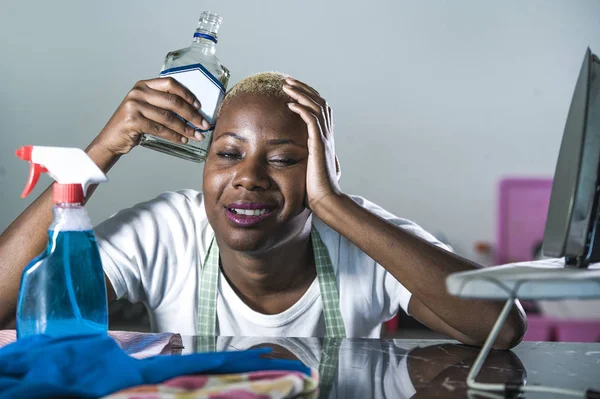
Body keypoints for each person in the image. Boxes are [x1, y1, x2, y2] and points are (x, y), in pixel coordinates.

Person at [0, 72, 526, 348]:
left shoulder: (365, 240)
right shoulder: (167, 230)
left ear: (324, 169)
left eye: (284, 159)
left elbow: (500, 327)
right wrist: (102, 150)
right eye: (228, 154)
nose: (248, 177)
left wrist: (333, 204)